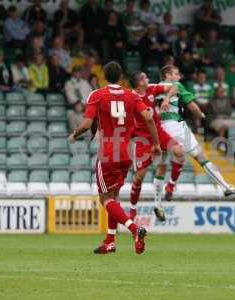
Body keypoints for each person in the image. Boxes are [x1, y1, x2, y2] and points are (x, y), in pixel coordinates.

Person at [68, 61, 161, 255]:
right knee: (114, 197)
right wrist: (156, 143)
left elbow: (86, 124)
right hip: (127, 152)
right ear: (121, 77)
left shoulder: (97, 95)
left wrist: (74, 134)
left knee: (105, 199)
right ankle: (110, 241)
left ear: (103, 76)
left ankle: (135, 229)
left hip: (109, 152)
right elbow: (149, 118)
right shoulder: (132, 95)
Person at [154, 65, 235, 210]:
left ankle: (158, 203)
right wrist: (201, 115)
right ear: (167, 75)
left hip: (160, 129)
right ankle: (225, 186)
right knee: (201, 158)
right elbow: (193, 107)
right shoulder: (176, 85)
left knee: (162, 165)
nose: (179, 76)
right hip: (176, 126)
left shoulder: (155, 88)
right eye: (176, 73)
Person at [129, 71, 185, 221]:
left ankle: (169, 187)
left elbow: (175, 86)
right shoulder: (131, 98)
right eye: (145, 77)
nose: (148, 79)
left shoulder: (152, 89)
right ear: (140, 82)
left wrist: (166, 99)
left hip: (158, 133)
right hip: (142, 139)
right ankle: (133, 209)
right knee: (138, 178)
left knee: (179, 152)